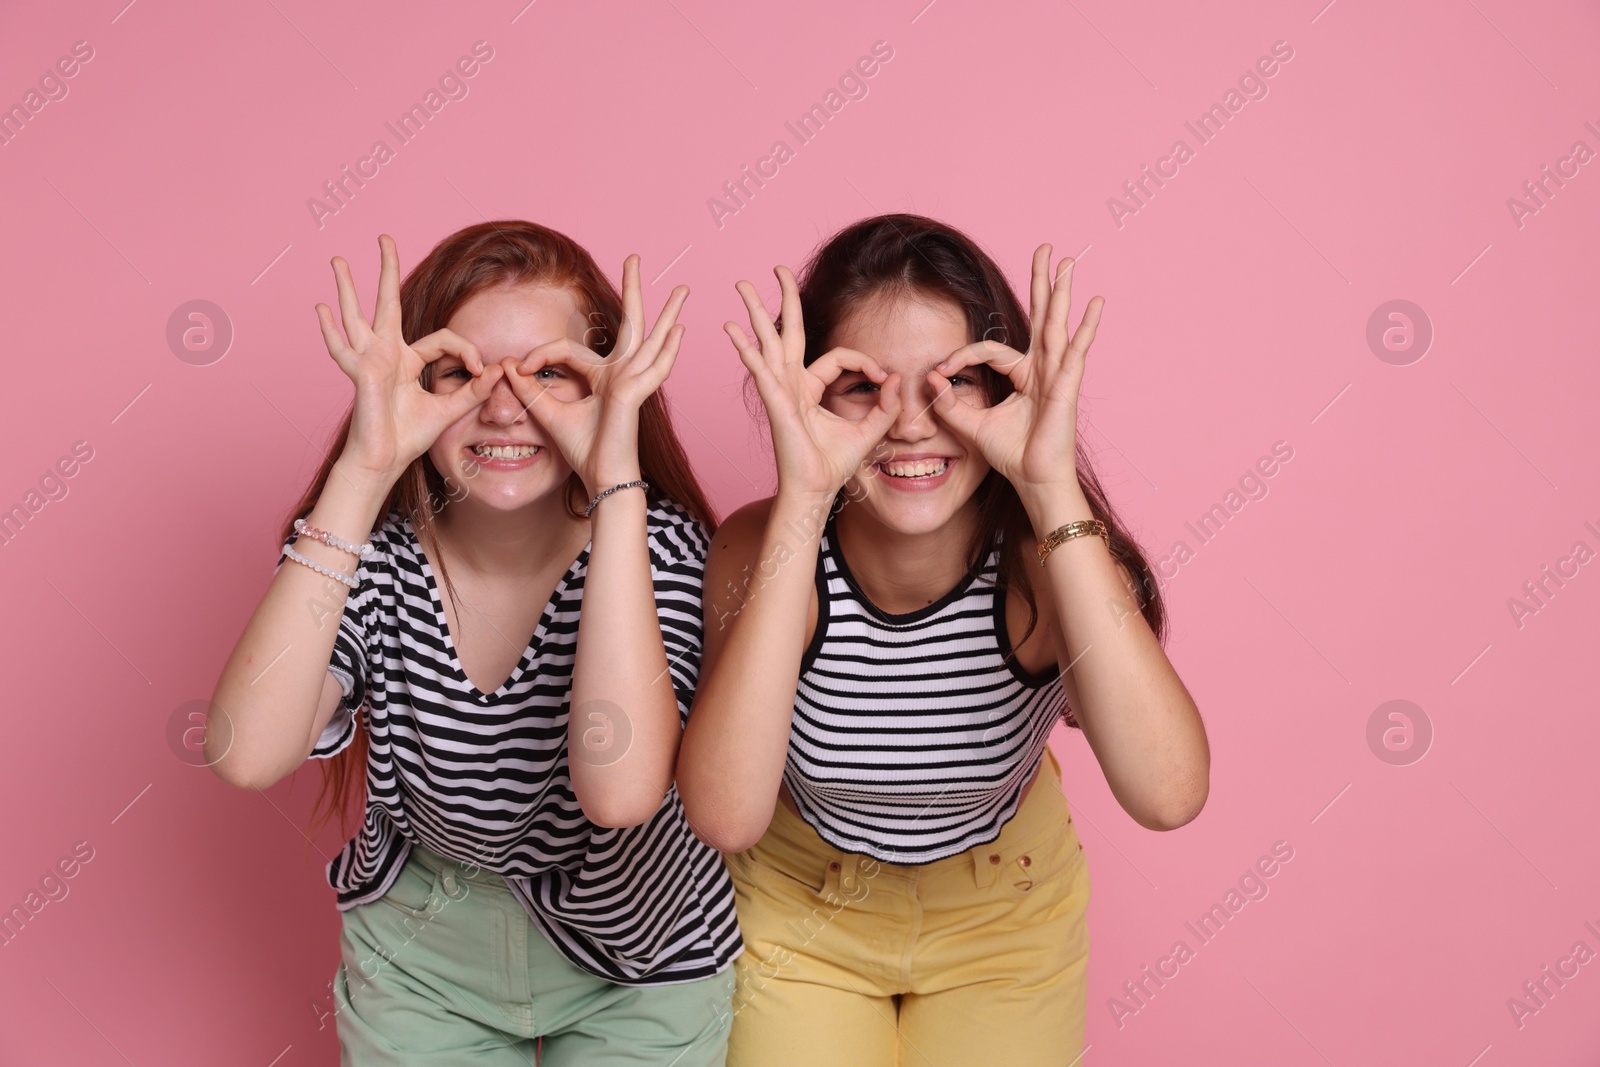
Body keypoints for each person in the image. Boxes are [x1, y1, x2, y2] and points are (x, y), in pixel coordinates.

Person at [676, 213, 1209, 1065]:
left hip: (1007, 910)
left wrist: (1051, 486)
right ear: (808, 390)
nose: (913, 424)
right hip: (800, 907)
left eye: (953, 381)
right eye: (863, 385)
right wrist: (803, 502)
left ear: (1003, 389)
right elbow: (725, 813)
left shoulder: (1047, 565)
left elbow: (1168, 792)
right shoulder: (758, 548)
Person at [207, 221, 741, 1065]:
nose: (502, 406)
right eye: (459, 372)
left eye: (550, 374)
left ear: (609, 387)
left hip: (642, 952)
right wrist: (364, 465)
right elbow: (244, 753)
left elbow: (621, 793)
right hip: (425, 949)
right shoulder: (365, 552)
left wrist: (616, 484)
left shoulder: (661, 548)